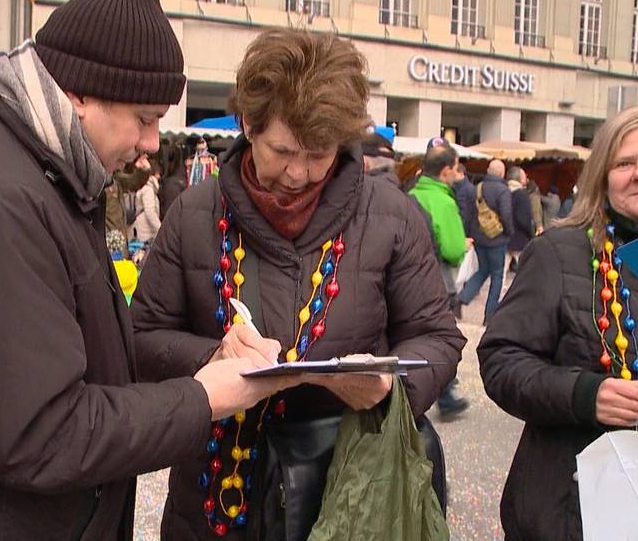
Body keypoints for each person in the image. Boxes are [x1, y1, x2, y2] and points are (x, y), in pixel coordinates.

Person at [0, 0, 293, 539]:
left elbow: (71, 357)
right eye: (144, 117)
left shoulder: (42, 169)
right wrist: (205, 397)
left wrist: (209, 362)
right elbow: (42, 435)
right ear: (80, 94)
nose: (154, 141)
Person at [131, 28, 464, 539]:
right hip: (216, 496)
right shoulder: (193, 214)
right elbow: (142, 338)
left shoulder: (392, 214)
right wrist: (212, 359)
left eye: (318, 153)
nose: (297, 173)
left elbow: (438, 337)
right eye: (282, 150)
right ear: (248, 126)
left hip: (348, 491)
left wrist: (386, 386)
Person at [477, 104, 638, 540]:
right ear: (603, 174)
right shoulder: (560, 251)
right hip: (574, 511)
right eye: (625, 162)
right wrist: (584, 394)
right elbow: (500, 360)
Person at [408, 138, 470, 416]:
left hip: (410, 280)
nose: (457, 175)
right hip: (438, 279)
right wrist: (464, 246)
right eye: (456, 169)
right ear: (446, 171)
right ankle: (445, 393)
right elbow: (453, 249)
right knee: (442, 337)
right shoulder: (443, 201)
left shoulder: (411, 193)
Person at [457, 159, 513, 322]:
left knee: (483, 270)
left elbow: (470, 214)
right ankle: (489, 314)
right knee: (497, 275)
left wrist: (470, 233)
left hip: (479, 237)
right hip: (497, 238)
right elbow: (506, 214)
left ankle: (461, 298)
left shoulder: (477, 188)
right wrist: (509, 233)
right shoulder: (503, 191)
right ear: (502, 173)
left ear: (488, 170)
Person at [505, 166, 535, 273]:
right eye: (524, 175)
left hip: (506, 236)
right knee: (525, 270)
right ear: (519, 178)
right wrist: (531, 233)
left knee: (501, 272)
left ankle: (497, 290)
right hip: (520, 238)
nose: (526, 177)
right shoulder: (522, 194)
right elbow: (525, 218)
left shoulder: (505, 191)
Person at [133, 155, 162, 244]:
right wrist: (161, 229)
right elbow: (150, 212)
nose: (159, 176)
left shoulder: (146, 187)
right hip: (145, 231)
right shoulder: (148, 189)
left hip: (144, 229)